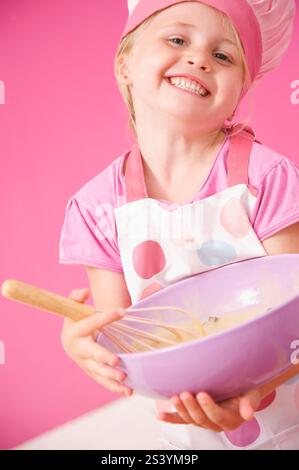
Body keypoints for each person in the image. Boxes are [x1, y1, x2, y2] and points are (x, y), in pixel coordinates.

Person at [59, 0, 299, 449]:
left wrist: (258, 386)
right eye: (177, 39)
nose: (198, 58)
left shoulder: (266, 178)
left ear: (242, 87)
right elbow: (122, 336)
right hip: (186, 432)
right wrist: (84, 345)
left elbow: (297, 315)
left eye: (224, 55)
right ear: (125, 62)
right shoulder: (97, 209)